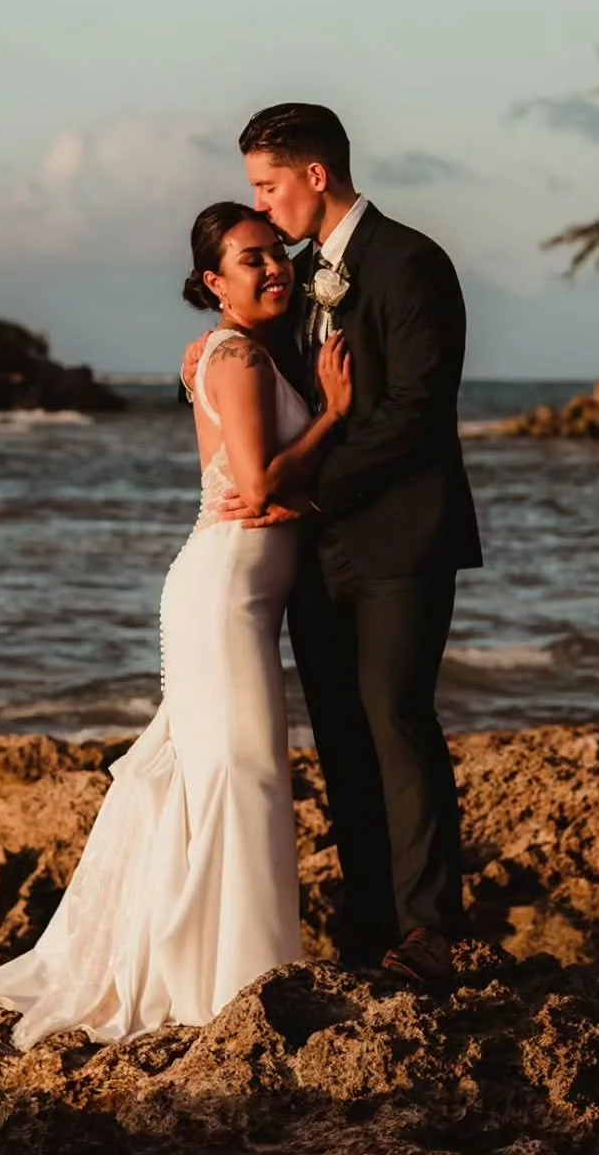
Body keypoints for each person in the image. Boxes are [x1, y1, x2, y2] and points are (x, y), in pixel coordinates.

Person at [0, 202, 352, 1046]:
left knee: (223, 778)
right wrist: (335, 415)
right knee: (241, 777)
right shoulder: (238, 353)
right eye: (251, 261)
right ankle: (228, 986)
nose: (274, 268)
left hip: (230, 593)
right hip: (224, 597)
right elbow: (255, 487)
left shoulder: (240, 351)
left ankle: (212, 972)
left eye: (276, 254)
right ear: (214, 283)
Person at [185, 103, 482, 993]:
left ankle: (431, 931)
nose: (263, 210)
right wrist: (201, 359)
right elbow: (254, 387)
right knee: (343, 739)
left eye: (269, 187)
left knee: (397, 718)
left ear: (316, 176)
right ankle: (368, 926)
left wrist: (314, 488)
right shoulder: (296, 275)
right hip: (314, 551)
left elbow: (414, 413)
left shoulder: (411, 263)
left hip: (399, 538)